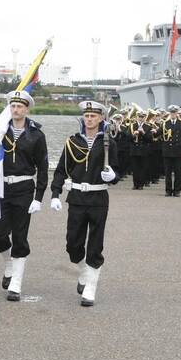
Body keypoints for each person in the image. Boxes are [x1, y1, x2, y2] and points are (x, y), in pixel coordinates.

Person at [49, 100, 118, 307]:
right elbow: (61, 169)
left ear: (101, 118)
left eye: (93, 116)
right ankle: (85, 272)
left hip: (98, 199)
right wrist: (55, 193)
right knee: (73, 244)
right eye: (87, 116)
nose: (89, 119)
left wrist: (113, 175)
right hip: (77, 198)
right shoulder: (72, 142)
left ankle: (90, 288)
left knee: (95, 244)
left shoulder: (108, 143)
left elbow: (118, 170)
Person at [0, 90, 49, 302]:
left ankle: (16, 284)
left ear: (27, 109)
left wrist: (38, 197)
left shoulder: (36, 135)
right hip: (1, 189)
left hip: (24, 188)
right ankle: (8, 264)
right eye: (13, 106)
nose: (16, 110)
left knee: (20, 236)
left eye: (20, 106)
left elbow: (43, 167)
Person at [160, 105, 181, 197]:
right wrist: (153, 131)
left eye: (174, 112)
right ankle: (168, 190)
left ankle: (177, 190)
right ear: (170, 113)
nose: (173, 114)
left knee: (178, 172)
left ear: (177, 113)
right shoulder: (165, 123)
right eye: (171, 112)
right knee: (167, 173)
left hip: (178, 151)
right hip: (168, 151)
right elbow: (159, 133)